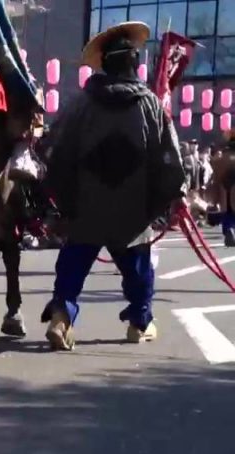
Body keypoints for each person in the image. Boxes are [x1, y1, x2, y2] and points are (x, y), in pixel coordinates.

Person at [41, 22, 185, 350]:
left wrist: (64, 201)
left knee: (74, 262)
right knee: (137, 269)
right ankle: (139, 322)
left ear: (104, 65)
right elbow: (169, 157)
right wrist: (170, 197)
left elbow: (55, 149)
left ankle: (61, 315)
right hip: (132, 209)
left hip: (87, 205)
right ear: (134, 65)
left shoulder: (81, 103)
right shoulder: (150, 103)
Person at [207, 131, 235, 247]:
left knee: (226, 211)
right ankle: (231, 230)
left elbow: (215, 177)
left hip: (223, 186)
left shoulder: (219, 159)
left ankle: (228, 229)